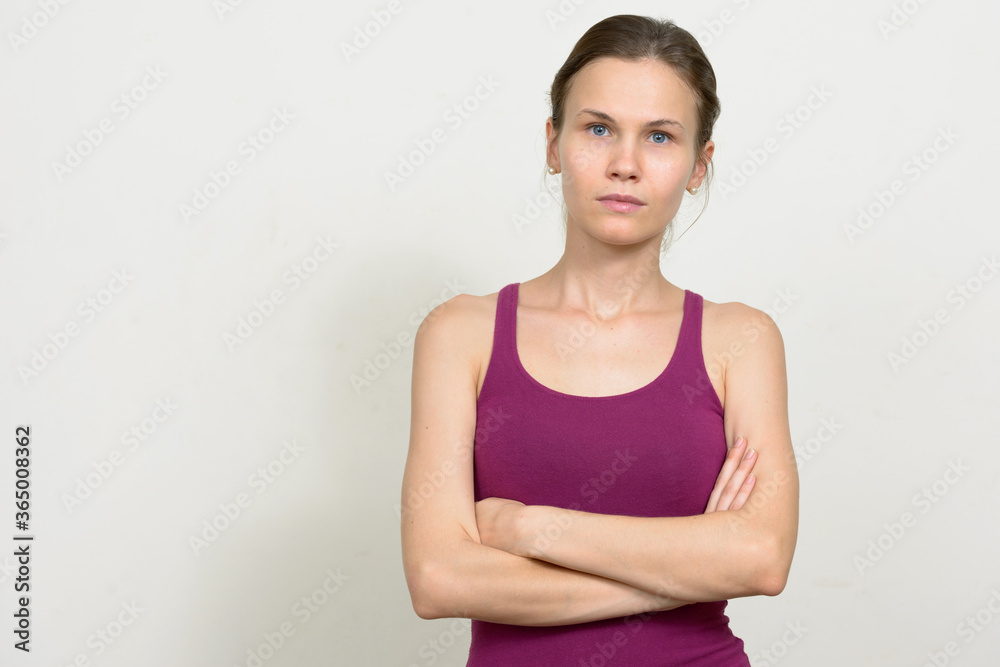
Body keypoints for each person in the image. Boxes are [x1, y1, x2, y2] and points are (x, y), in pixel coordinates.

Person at [400, 14, 798, 666]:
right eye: (598, 128)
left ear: (699, 165)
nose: (625, 165)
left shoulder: (741, 340)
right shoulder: (461, 334)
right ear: (553, 144)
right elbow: (439, 578)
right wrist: (690, 567)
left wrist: (529, 527)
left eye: (660, 137)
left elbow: (761, 557)